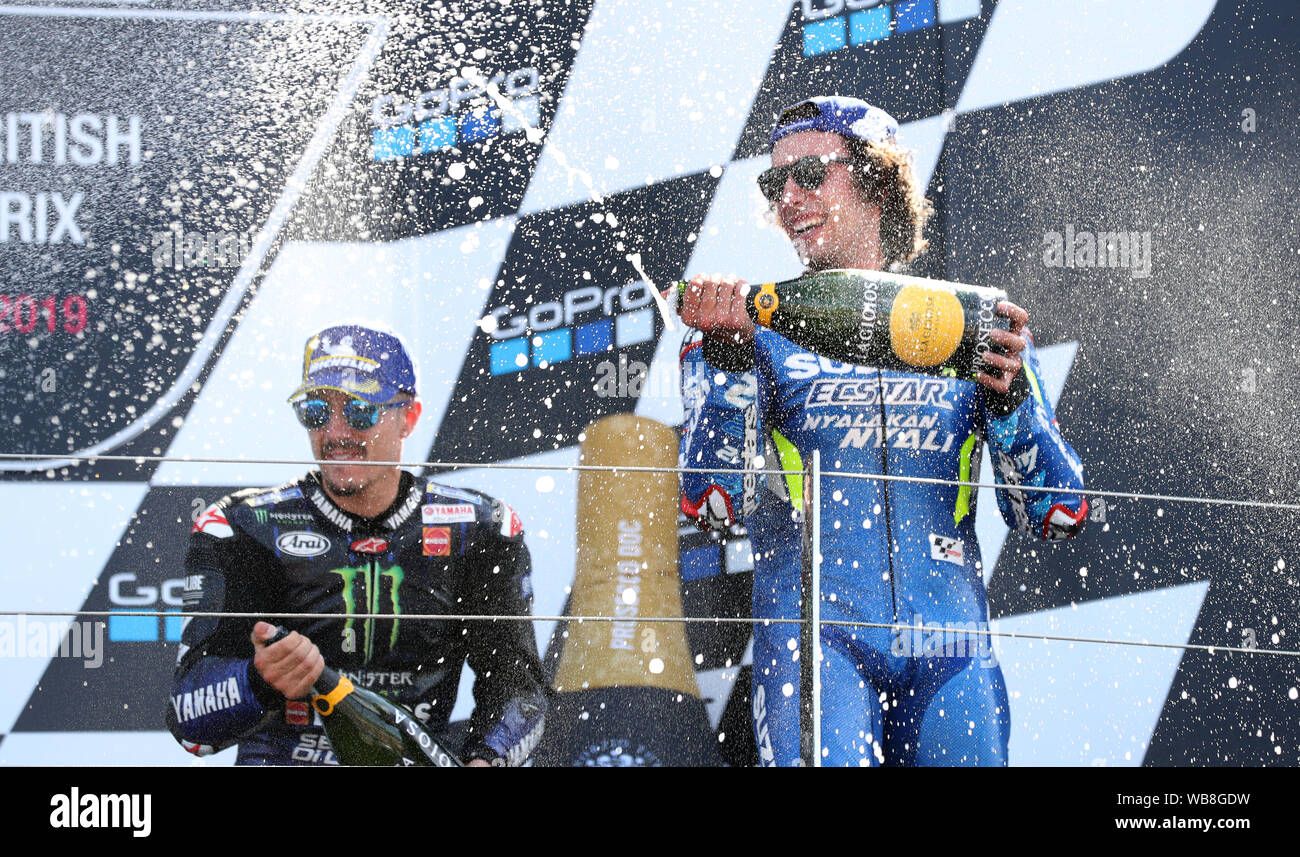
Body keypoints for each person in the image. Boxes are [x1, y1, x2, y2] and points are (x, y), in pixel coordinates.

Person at [678, 97, 1087, 766]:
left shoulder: (971, 327)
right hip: (816, 649)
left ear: (874, 178)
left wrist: (1012, 405)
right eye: (772, 182)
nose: (788, 197)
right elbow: (714, 507)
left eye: (809, 173)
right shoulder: (748, 334)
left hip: (953, 652)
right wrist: (728, 368)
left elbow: (1058, 516)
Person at [167, 323, 547, 766]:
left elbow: (518, 688)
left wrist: (487, 760)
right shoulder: (240, 529)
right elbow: (189, 722)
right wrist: (259, 681)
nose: (335, 433)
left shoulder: (482, 530)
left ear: (409, 417)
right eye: (315, 411)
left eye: (360, 411)